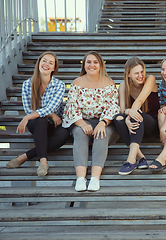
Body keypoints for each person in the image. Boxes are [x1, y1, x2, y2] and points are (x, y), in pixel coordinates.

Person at [62, 51, 119, 191]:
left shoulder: (109, 83)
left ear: (100, 65)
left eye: (95, 62)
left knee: (102, 133)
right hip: (82, 121)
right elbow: (71, 107)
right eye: (89, 62)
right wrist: (82, 123)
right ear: (84, 64)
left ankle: (95, 178)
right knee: (80, 133)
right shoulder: (77, 83)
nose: (92, 65)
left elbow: (114, 106)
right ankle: (80, 179)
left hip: (105, 123)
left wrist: (102, 122)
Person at [6, 51, 70, 176]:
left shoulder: (59, 85)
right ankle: (43, 162)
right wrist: (50, 114)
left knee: (64, 134)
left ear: (54, 68)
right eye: (44, 61)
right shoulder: (27, 85)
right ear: (39, 63)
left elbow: (50, 107)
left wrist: (27, 117)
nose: (46, 64)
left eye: (51, 63)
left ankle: (24, 156)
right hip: (37, 124)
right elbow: (30, 110)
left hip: (55, 124)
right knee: (40, 120)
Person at [114, 57, 160, 175]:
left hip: (152, 125)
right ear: (128, 74)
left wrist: (129, 117)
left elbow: (139, 101)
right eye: (136, 73)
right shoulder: (124, 86)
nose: (140, 75)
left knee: (136, 114)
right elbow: (122, 109)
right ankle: (141, 158)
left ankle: (131, 160)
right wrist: (127, 116)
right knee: (118, 118)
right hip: (135, 128)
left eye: (142, 72)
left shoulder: (150, 79)